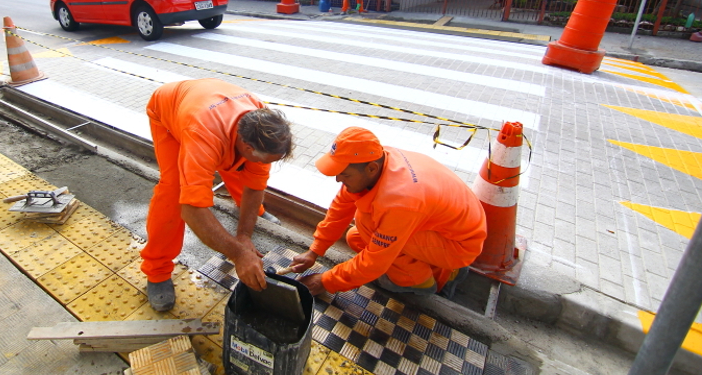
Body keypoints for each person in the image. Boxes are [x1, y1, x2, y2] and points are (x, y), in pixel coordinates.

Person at [142, 78, 293, 311]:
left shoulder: (263, 125)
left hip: (211, 105)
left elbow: (254, 185)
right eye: (267, 160)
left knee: (238, 164)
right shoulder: (203, 135)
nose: (267, 165)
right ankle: (157, 270)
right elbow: (192, 210)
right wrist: (239, 254)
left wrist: (244, 235)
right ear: (247, 147)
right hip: (168, 109)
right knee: (174, 190)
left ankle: (253, 213)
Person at [288, 127, 487, 301]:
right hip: (443, 228)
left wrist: (326, 281)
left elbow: (375, 262)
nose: (338, 179)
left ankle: (421, 282)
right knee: (355, 237)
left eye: (344, 174)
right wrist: (314, 251)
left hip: (459, 244)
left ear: (371, 168)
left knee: (367, 222)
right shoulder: (376, 159)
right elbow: (340, 208)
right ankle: (438, 268)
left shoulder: (400, 199)